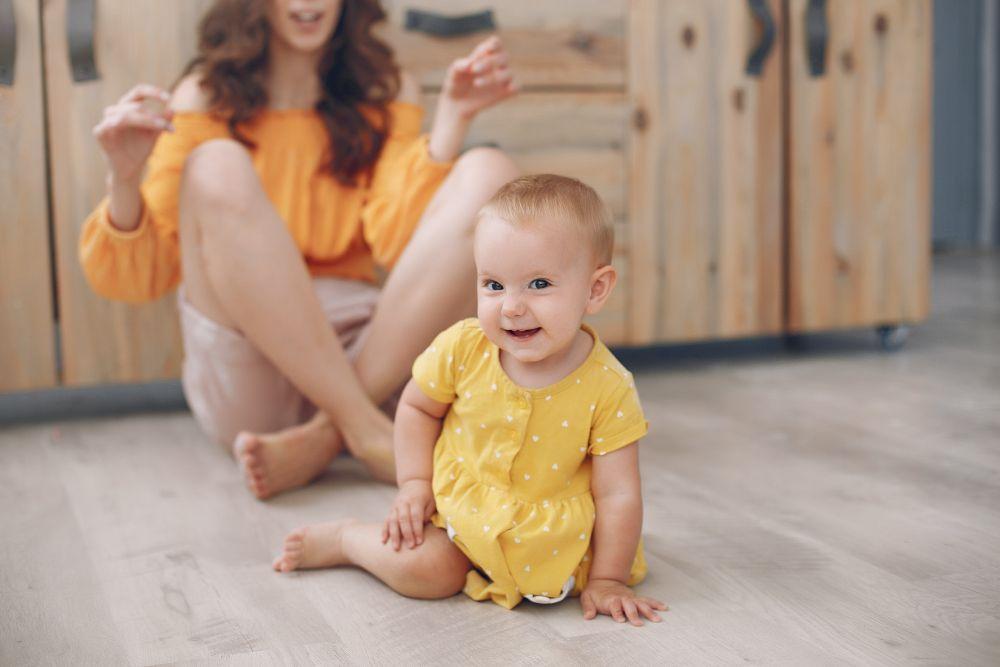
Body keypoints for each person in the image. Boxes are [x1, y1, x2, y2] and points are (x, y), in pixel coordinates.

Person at [80, 0, 520, 498]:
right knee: (215, 163)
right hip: (251, 371)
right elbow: (136, 280)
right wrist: (124, 177)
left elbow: (403, 246)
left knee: (490, 171)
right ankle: (365, 429)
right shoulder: (201, 99)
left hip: (370, 357)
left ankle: (330, 436)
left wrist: (451, 124)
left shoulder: (382, 91)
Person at [272, 175, 668, 626]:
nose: (511, 306)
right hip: (463, 515)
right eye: (494, 285)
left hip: (552, 540)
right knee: (425, 572)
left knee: (577, 573)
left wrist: (609, 578)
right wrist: (415, 483)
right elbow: (418, 407)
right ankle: (347, 540)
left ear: (595, 290)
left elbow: (618, 493)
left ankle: (568, 568)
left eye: (539, 284)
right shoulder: (464, 347)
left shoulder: (608, 385)